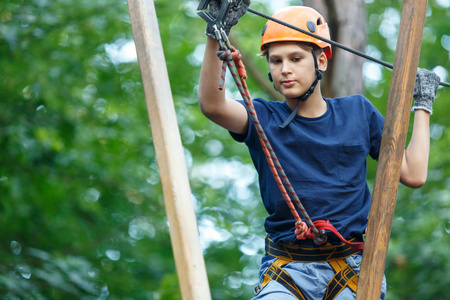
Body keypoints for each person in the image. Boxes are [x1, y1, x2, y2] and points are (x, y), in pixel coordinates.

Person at [197, 3, 441, 300]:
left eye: (296, 58)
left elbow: (413, 173)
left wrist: (422, 105)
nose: (285, 69)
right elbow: (213, 105)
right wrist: (215, 33)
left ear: (321, 61)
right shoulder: (264, 119)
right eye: (275, 61)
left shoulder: (357, 114)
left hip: (350, 270)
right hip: (287, 271)